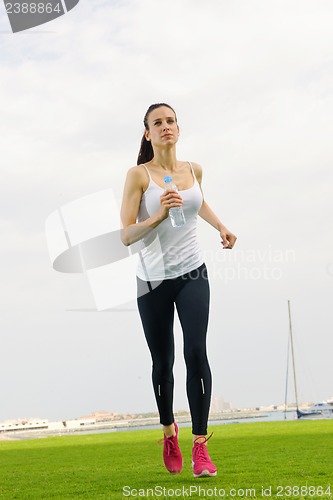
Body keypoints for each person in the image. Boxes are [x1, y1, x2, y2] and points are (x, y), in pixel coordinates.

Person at [120, 103, 237, 477]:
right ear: (147, 134)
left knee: (197, 352)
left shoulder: (193, 170)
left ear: (178, 128)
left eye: (170, 120)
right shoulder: (138, 176)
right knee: (163, 363)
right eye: (158, 123)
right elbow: (125, 235)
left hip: (192, 273)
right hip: (152, 279)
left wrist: (221, 226)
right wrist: (157, 216)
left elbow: (198, 203)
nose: (166, 126)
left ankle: (200, 448)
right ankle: (169, 431)